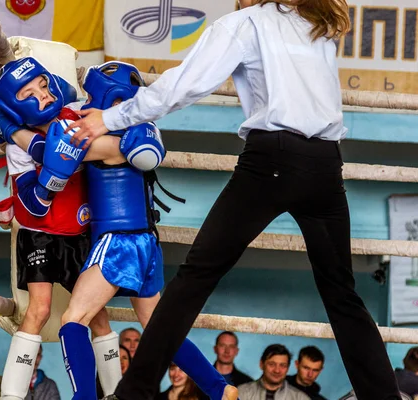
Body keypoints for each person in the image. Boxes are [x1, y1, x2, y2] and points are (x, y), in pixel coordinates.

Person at [67, 0, 403, 399]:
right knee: (343, 295)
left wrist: (110, 118)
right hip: (325, 167)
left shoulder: (245, 23)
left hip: (273, 162)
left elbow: (183, 86)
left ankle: (134, 392)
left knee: (196, 277)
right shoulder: (319, 26)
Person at [0, 58, 235, 400]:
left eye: (94, 101)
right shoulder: (128, 133)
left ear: (114, 104)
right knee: (158, 328)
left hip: (118, 242)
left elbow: (59, 151)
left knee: (73, 320)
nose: (86, 107)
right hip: (146, 242)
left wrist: (12, 127)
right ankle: (220, 389)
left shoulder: (109, 142)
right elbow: (73, 113)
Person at [0, 56, 126, 399]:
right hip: (40, 233)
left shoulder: (78, 115)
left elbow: (115, 110)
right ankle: (11, 396)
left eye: (44, 86)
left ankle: (115, 393)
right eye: (30, 93)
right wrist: (51, 177)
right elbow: (32, 206)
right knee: (39, 309)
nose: (44, 95)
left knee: (96, 315)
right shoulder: (17, 147)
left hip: (79, 233)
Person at [238, 345, 309, 400]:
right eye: (272, 364)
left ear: (288, 368)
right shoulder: (241, 393)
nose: (277, 370)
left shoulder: (300, 398)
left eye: (282, 365)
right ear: (261, 364)